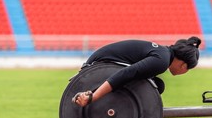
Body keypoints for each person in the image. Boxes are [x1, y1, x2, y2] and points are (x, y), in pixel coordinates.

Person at [72, 36, 201, 107]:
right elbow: (127, 73)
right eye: (188, 69)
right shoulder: (161, 61)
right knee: (154, 85)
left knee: (158, 85)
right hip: (97, 65)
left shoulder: (163, 54)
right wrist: (94, 97)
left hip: (104, 61)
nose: (186, 71)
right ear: (183, 65)